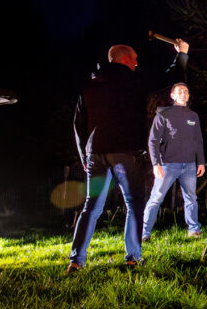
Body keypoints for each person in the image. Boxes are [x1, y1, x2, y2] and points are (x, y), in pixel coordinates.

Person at [69, 40, 189, 271]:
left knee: (91, 206)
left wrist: (84, 154)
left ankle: (76, 261)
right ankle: (133, 256)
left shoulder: (89, 85)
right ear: (125, 59)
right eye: (134, 58)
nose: (137, 62)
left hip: (96, 153)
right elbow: (169, 76)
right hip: (126, 152)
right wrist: (182, 54)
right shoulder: (132, 79)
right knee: (134, 204)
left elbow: (78, 123)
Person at [141, 82, 206, 241]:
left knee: (191, 198)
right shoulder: (163, 115)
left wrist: (201, 162)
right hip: (168, 165)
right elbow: (153, 141)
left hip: (189, 165)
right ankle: (144, 233)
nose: (183, 94)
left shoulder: (193, 116)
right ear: (173, 96)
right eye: (179, 91)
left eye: (186, 91)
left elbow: (198, 140)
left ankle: (194, 230)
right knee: (156, 198)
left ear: (189, 95)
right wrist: (156, 164)